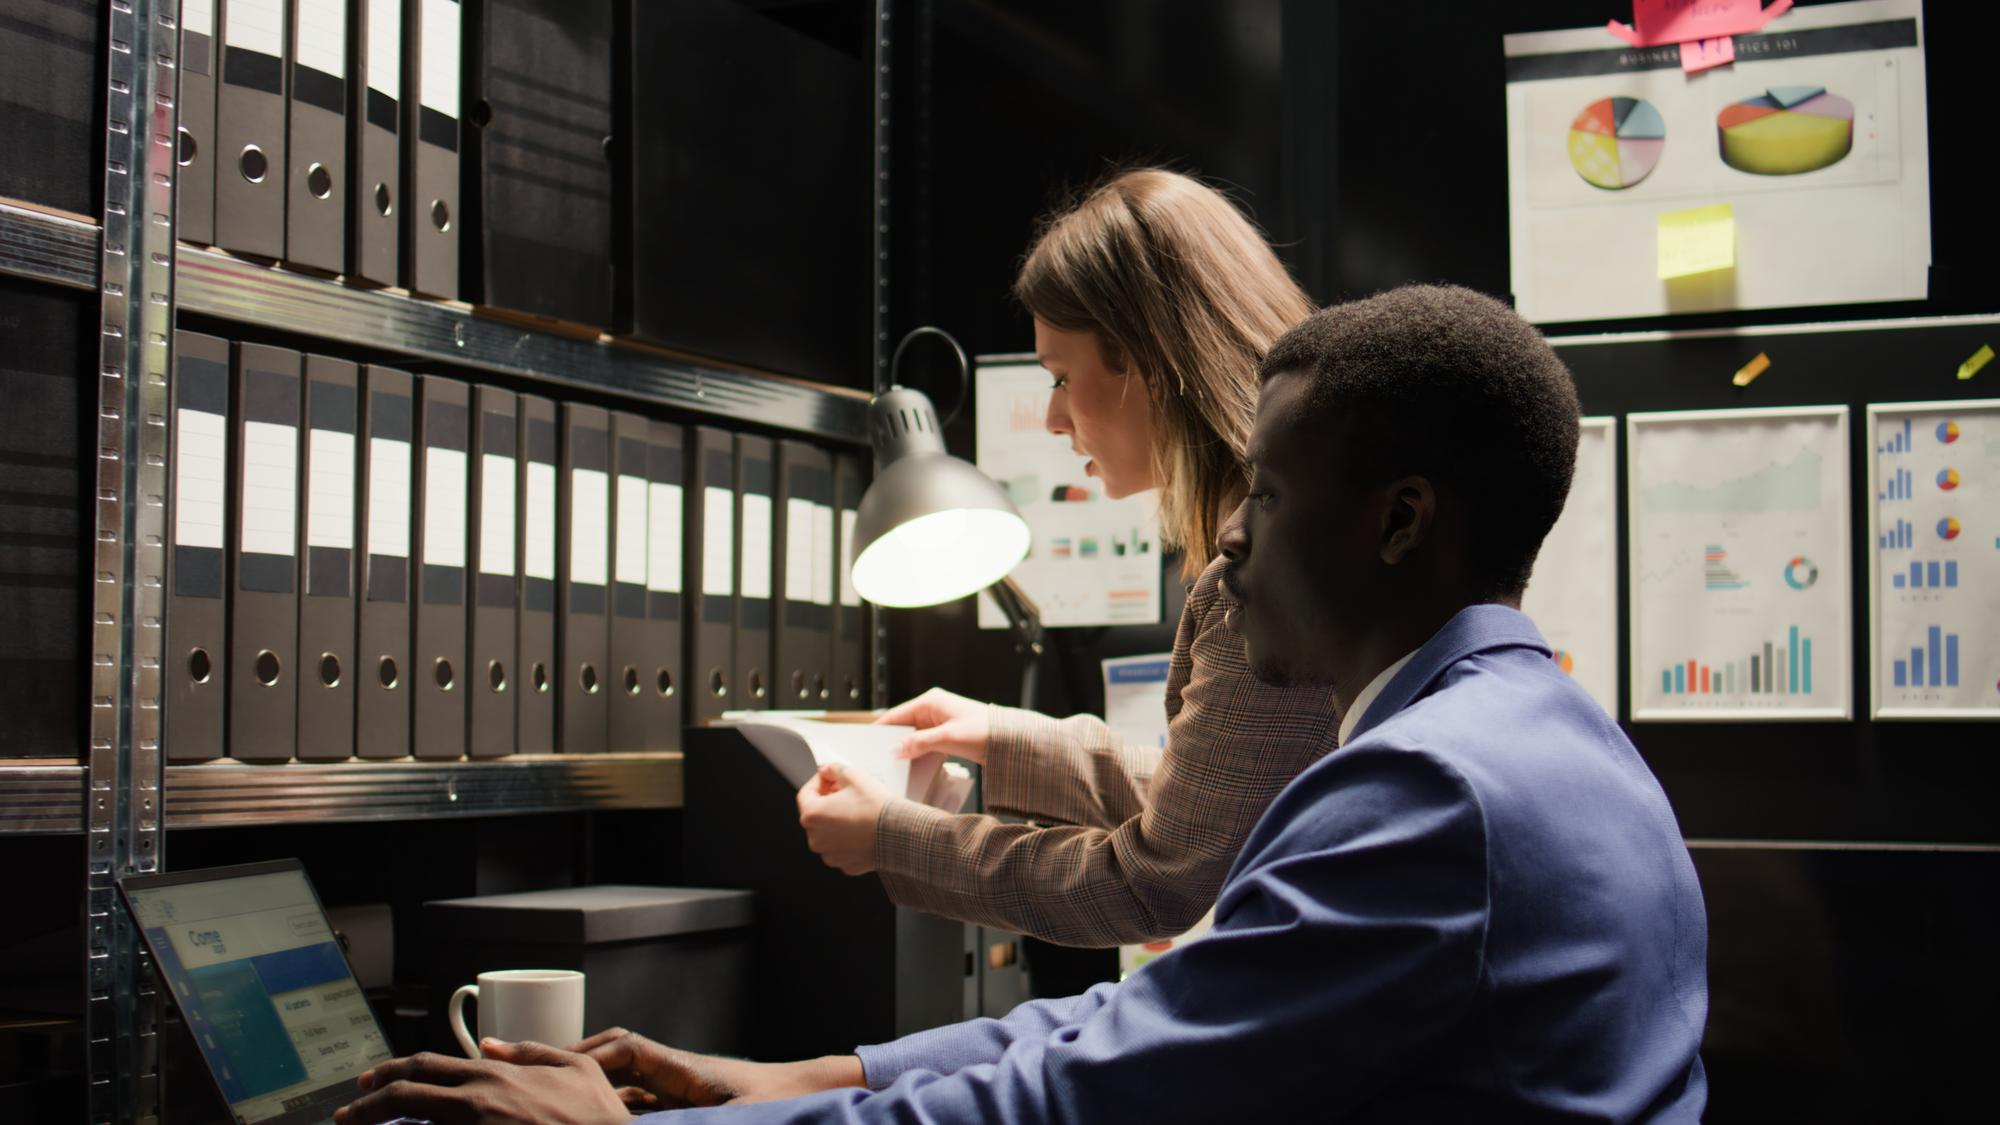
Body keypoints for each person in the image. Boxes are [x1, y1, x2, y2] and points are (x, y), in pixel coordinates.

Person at [336, 284, 1710, 1124]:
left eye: (1271, 500)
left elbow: (1101, 1091)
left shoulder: (1431, 793)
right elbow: (1144, 1026)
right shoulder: (1535, 737)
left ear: (1400, 523)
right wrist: (825, 1075)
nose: (1230, 544)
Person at [794, 167, 1341, 948]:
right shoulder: (1298, 533)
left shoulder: (1265, 579)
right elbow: (1217, 800)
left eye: (1060, 376)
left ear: (1151, 361)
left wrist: (893, 837)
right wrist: (999, 734)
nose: (1052, 418)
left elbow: (1152, 882)